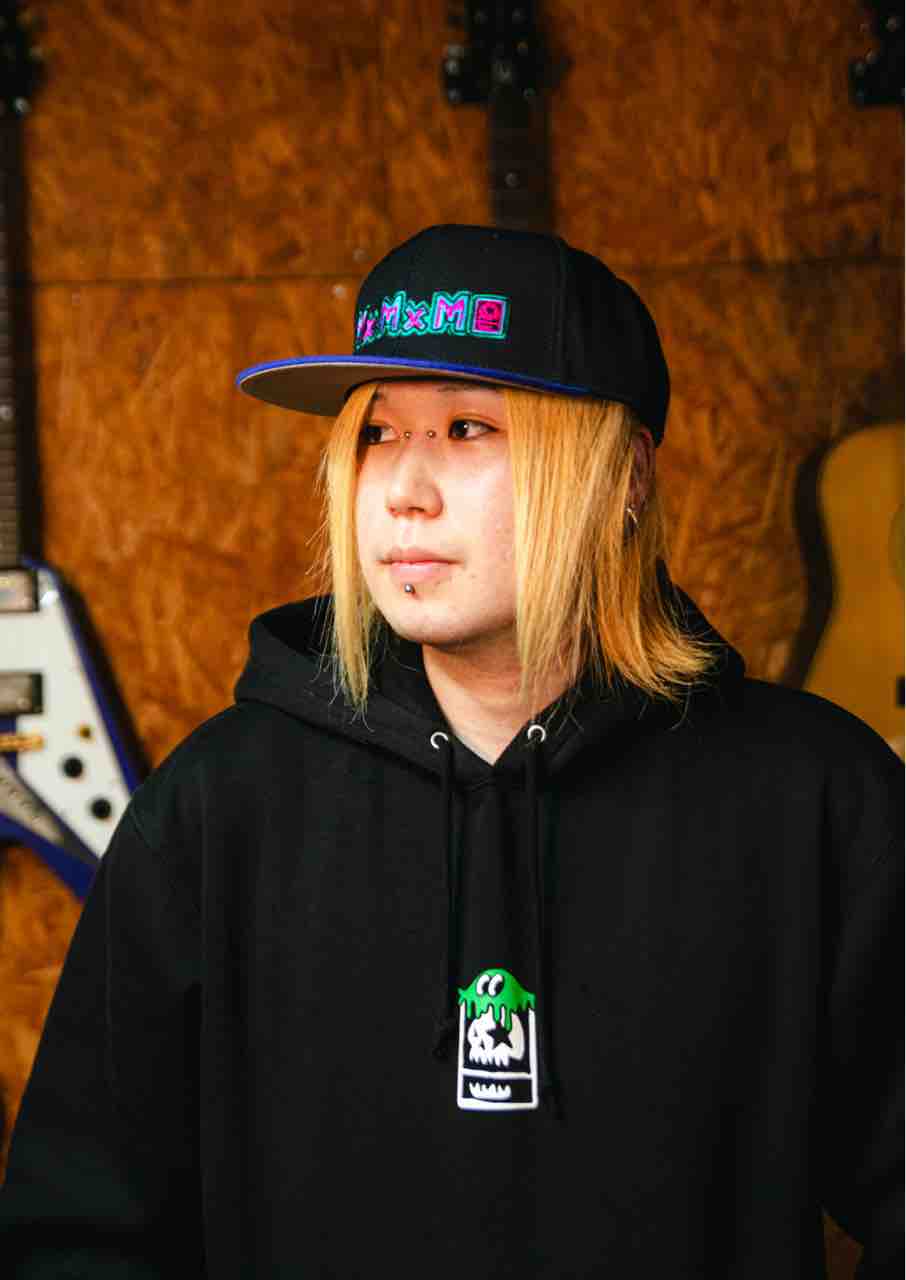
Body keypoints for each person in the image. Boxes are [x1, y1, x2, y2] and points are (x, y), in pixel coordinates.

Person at [0, 224, 901, 1278]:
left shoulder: (814, 798)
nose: (403, 489)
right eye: (379, 434)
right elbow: (76, 1231)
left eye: (468, 428)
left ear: (623, 476)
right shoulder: (216, 805)